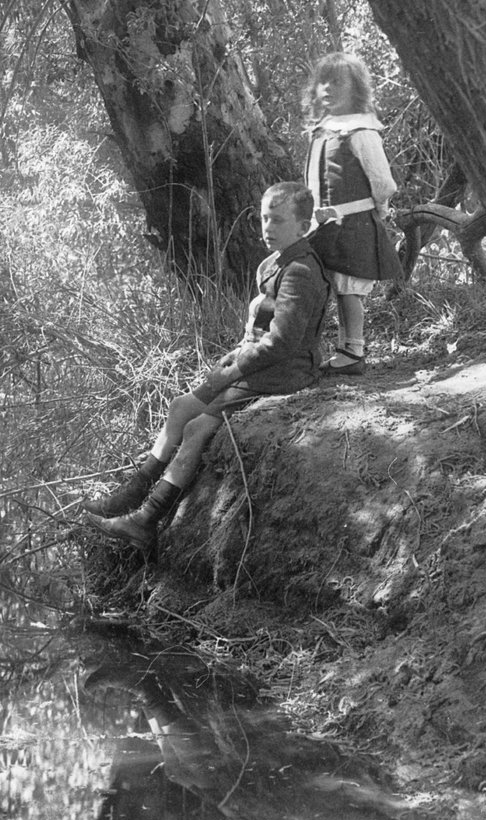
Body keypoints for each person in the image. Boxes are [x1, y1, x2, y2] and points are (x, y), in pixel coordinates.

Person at [83, 181, 328, 554]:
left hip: (285, 372)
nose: (267, 228)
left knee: (197, 427)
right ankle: (128, 497)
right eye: (264, 218)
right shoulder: (275, 263)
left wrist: (233, 369)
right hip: (260, 364)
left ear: (302, 225)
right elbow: (258, 332)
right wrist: (233, 358)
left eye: (277, 220)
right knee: (181, 406)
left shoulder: (300, 272)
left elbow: (283, 343)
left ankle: (145, 519)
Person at [302, 51, 404, 375]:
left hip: (354, 223)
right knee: (336, 286)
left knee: (350, 289)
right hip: (327, 226)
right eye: (324, 82)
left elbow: (382, 181)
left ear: (355, 89)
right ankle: (344, 348)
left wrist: (383, 209)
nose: (329, 89)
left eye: (338, 82)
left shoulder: (361, 131)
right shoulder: (322, 133)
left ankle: (354, 353)